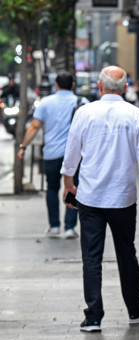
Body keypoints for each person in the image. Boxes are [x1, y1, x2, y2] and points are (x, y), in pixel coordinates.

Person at [61, 66, 139, 332]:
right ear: (125, 88)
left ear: (100, 87)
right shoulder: (136, 115)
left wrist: (68, 184)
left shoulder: (84, 113)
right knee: (127, 253)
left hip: (90, 197)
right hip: (123, 197)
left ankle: (93, 316)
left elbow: (72, 153)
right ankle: (135, 308)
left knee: (91, 257)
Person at [17, 71, 87, 239]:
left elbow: (34, 126)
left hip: (51, 154)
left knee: (52, 188)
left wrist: (23, 147)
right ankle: (70, 227)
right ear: (73, 85)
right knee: (73, 188)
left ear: (56, 85)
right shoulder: (82, 102)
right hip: (75, 156)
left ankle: (54, 226)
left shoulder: (46, 103)